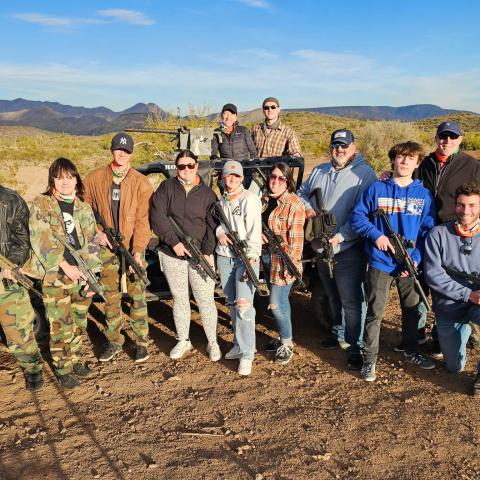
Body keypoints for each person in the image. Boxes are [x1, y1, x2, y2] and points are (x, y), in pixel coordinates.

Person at [351, 141, 436, 382]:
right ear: (393, 160)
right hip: (380, 262)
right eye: (400, 157)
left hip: (409, 263)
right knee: (375, 312)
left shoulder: (423, 195)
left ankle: (411, 350)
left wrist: (416, 258)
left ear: (417, 163)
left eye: (411, 158)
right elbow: (358, 217)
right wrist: (376, 235)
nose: (405, 162)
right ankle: (369, 359)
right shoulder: (377, 189)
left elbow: (427, 231)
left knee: (412, 311)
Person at [297, 129, 377, 370]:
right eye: (335, 145)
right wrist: (309, 209)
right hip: (320, 247)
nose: (339, 150)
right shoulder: (320, 170)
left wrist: (341, 236)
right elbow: (301, 193)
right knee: (331, 294)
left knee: (352, 300)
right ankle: (338, 333)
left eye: (344, 145)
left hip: (348, 248)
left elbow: (363, 215)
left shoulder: (365, 175)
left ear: (353, 147)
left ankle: (356, 345)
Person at [27, 158, 101, 389]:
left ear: (77, 180)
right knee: (60, 323)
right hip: (55, 274)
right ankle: (62, 367)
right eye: (60, 178)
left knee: (79, 321)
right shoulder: (42, 204)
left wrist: (92, 274)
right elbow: (40, 238)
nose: (65, 182)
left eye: (70, 177)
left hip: (81, 274)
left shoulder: (83, 208)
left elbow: (91, 242)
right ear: (52, 181)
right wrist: (63, 264)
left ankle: (75, 357)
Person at [83, 133, 153, 363]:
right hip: (105, 247)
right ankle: (114, 340)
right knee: (110, 296)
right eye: (118, 149)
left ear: (132, 153)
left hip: (132, 246)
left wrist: (138, 250)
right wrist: (98, 233)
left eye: (126, 150)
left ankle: (141, 341)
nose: (122, 153)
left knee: (137, 294)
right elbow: (84, 211)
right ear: (112, 151)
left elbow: (144, 220)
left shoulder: (141, 183)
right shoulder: (94, 179)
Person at [149, 150, 220, 361]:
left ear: (196, 166)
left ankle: (213, 342)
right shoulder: (166, 188)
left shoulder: (208, 194)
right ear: (176, 168)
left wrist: (207, 252)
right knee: (180, 299)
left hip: (200, 255)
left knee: (206, 300)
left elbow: (212, 226)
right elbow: (157, 217)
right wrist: (174, 242)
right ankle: (183, 340)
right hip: (172, 254)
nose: (186, 170)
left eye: (190, 165)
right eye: (181, 166)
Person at [424, 182, 480, 396]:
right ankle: (464, 330)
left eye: (472, 205)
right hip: (449, 306)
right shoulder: (438, 234)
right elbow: (433, 275)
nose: (466, 211)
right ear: (455, 205)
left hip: (478, 303)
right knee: (454, 367)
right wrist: (468, 294)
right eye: (461, 205)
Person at [215, 160, 262, 376]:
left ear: (242, 178)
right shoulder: (223, 200)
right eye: (228, 175)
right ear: (223, 178)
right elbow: (219, 224)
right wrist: (220, 233)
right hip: (225, 257)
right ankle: (238, 343)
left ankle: (247, 354)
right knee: (232, 303)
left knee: (244, 305)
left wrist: (251, 259)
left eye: (236, 176)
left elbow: (254, 232)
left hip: (245, 258)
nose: (231, 179)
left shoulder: (249, 200)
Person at [0, 184, 43, 391]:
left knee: (18, 329)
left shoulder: (10, 199)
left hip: (6, 277)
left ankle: (32, 367)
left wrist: (13, 264)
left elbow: (23, 239)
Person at [261, 162, 305, 364]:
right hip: (268, 257)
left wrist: (290, 268)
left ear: (288, 181)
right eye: (273, 177)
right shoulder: (264, 199)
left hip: (284, 261)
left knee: (276, 304)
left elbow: (296, 244)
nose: (275, 181)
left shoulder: (294, 204)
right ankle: (283, 337)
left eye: (281, 178)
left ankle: (286, 344)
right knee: (282, 302)